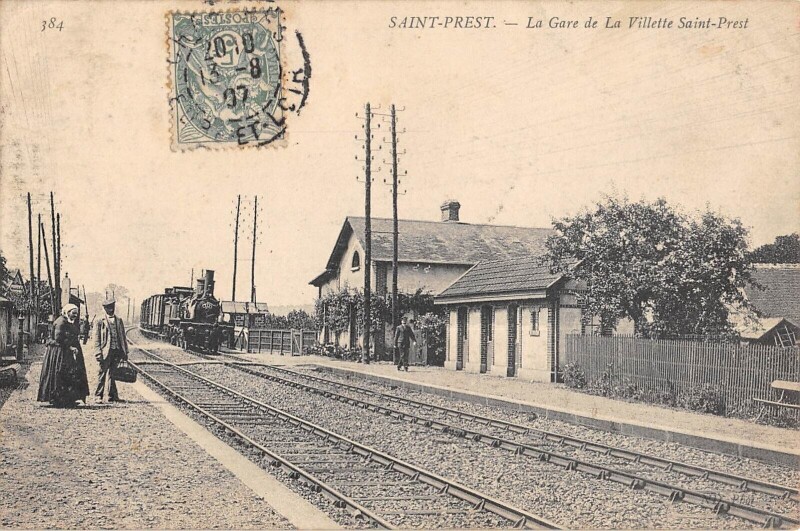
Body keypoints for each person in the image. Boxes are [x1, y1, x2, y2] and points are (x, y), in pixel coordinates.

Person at [37, 304, 90, 407]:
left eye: (76, 313)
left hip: (66, 352)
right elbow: (58, 339)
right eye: (73, 313)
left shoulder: (68, 321)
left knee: (70, 374)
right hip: (60, 352)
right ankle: (58, 399)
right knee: (60, 374)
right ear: (67, 312)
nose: (75, 315)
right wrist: (70, 347)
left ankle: (68, 399)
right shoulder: (61, 322)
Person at [93, 297, 128, 403]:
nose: (111, 309)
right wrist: (98, 352)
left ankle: (112, 396)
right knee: (102, 373)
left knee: (113, 374)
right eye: (108, 308)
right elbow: (96, 338)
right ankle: (98, 396)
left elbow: (123, 336)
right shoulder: (99, 320)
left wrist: (125, 351)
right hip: (105, 351)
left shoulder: (119, 320)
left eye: (112, 307)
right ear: (104, 309)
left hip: (116, 351)